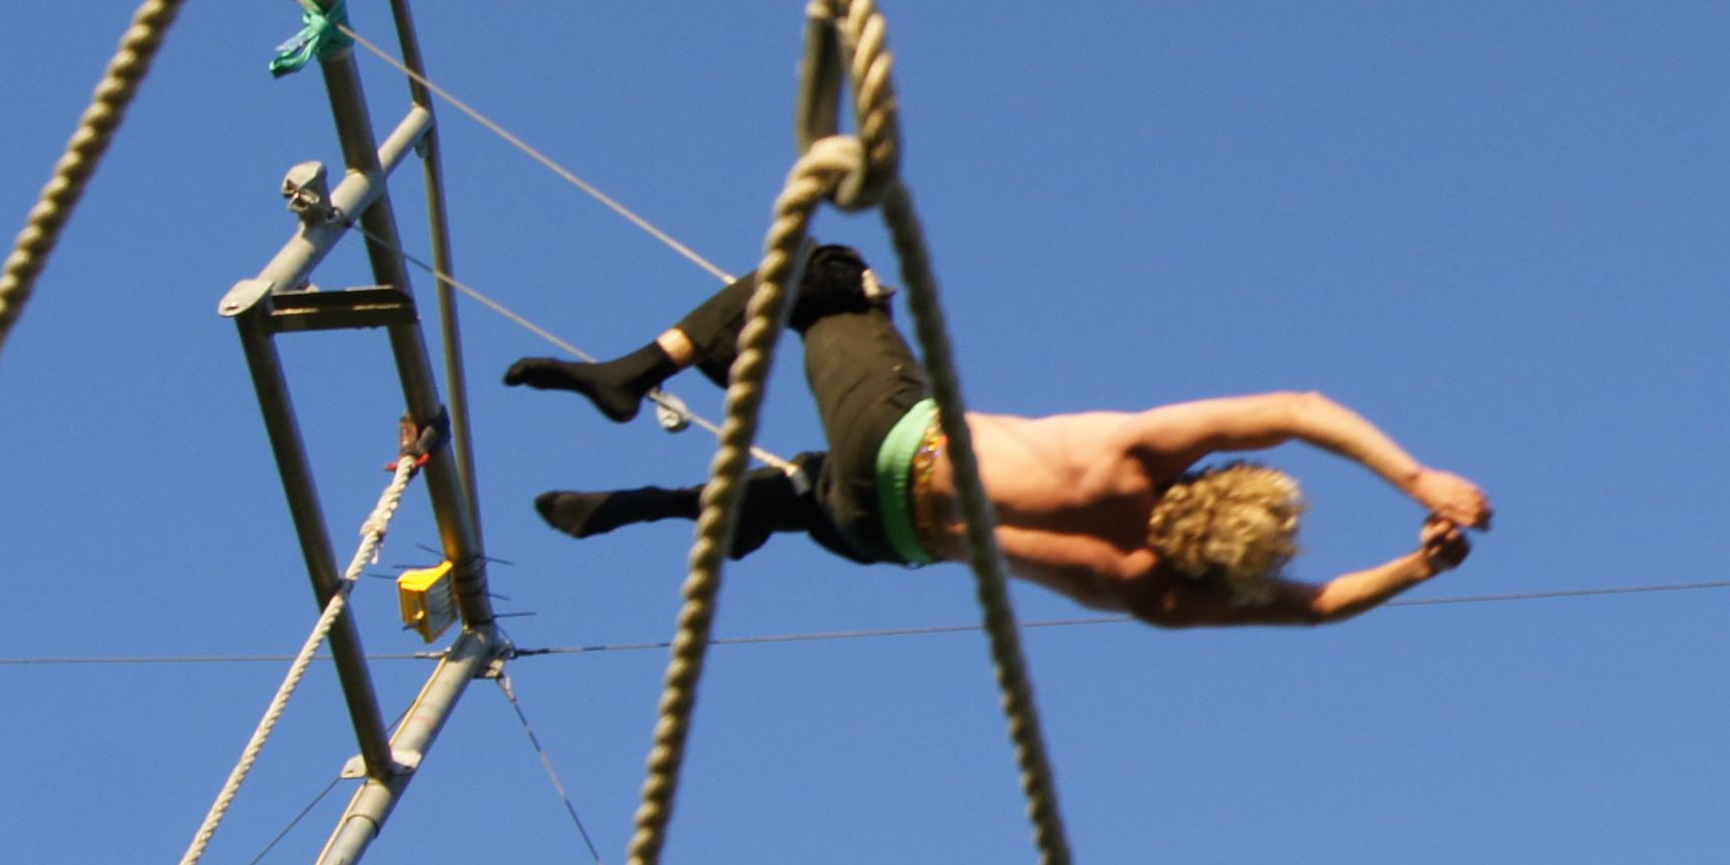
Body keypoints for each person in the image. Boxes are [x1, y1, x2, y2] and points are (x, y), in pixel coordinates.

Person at [508, 245, 1491, 627]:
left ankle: (636, 373)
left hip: (893, 443)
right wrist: (1418, 570)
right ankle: (658, 505)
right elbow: (1316, 607)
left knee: (833, 275)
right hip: (883, 541)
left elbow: (1302, 408)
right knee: (796, 494)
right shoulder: (1157, 592)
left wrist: (1419, 479)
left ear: (1221, 478)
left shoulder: (1137, 456)